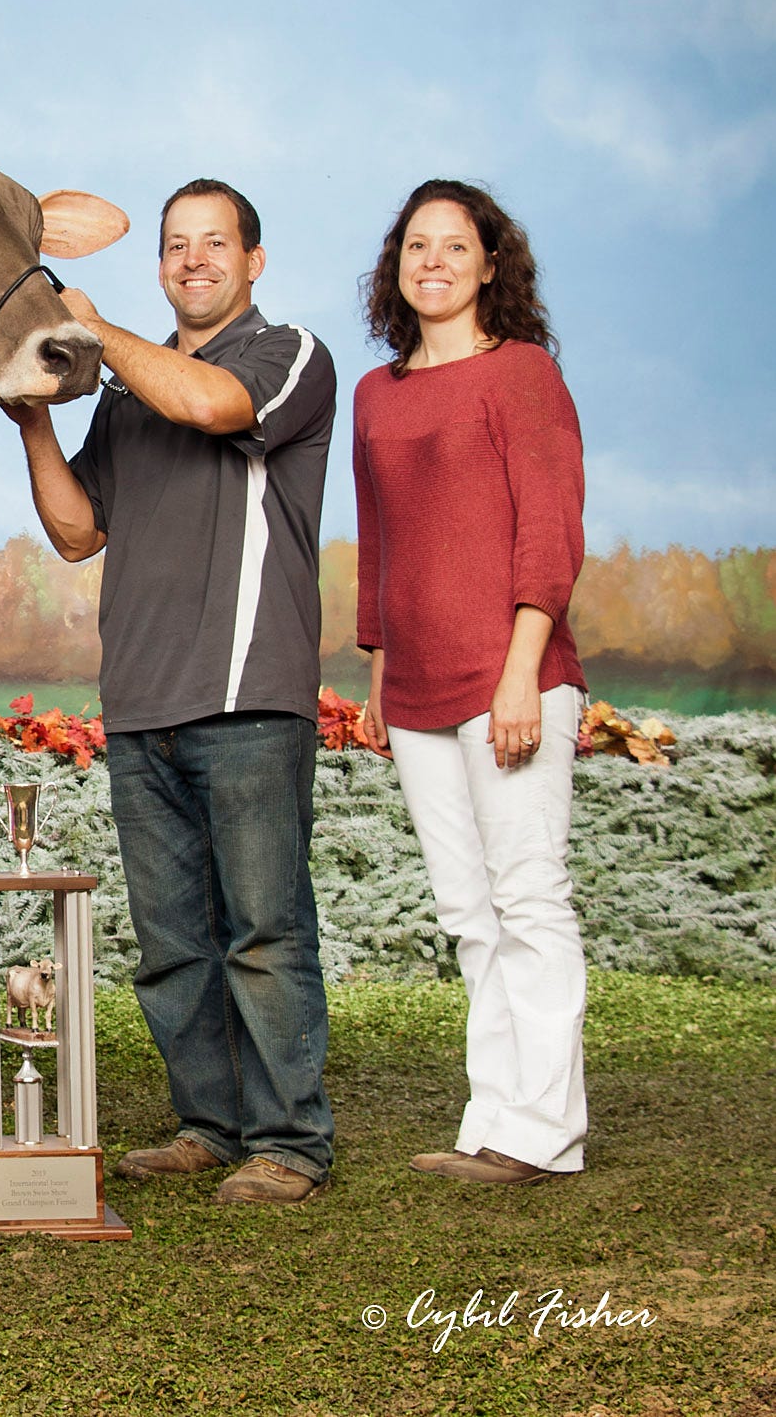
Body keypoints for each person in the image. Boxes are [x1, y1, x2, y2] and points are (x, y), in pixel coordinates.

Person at [3, 180, 338, 1205]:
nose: (194, 261)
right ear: (158, 265)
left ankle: (290, 1142)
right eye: (176, 246)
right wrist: (30, 419)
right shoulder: (125, 391)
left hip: (246, 697)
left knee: (265, 931)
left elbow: (209, 403)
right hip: (142, 703)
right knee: (173, 943)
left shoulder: (287, 357)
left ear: (254, 259)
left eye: (215, 243)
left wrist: (94, 331)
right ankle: (209, 1123)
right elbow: (74, 532)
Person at [354, 180, 588, 1186]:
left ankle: (548, 1134)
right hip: (412, 688)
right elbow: (379, 542)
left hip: (513, 680)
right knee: (468, 914)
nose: (434, 261)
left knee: (529, 900)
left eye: (456, 246)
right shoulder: (378, 394)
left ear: (492, 264)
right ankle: (493, 1124)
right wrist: (373, 663)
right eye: (417, 246)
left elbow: (551, 529)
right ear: (396, 267)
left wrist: (523, 673)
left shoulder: (523, 374)